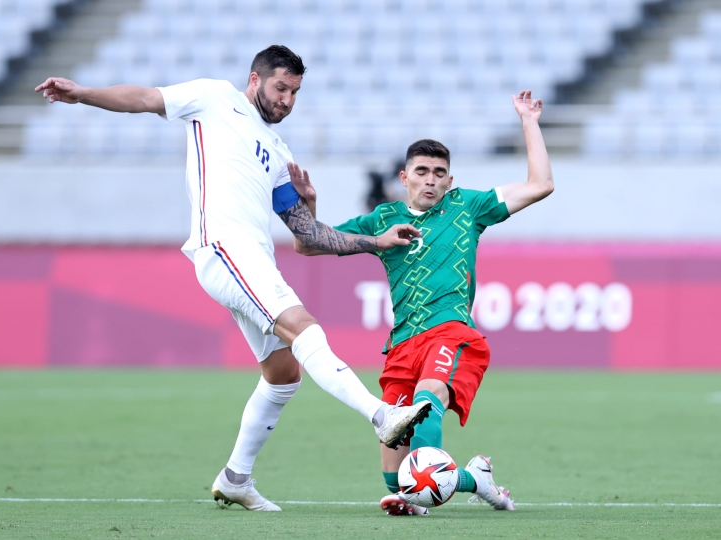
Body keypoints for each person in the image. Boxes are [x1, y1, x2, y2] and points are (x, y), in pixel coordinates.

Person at [34, 45, 432, 512]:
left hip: (254, 259)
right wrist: (83, 94)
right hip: (222, 248)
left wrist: (373, 239)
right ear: (254, 80)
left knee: (283, 375)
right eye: (280, 87)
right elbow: (143, 98)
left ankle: (236, 478)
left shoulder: (279, 153)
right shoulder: (214, 98)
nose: (287, 99)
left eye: (295, 92)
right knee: (306, 329)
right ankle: (381, 415)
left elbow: (306, 237)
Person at [289, 90, 554, 515]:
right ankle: (474, 479)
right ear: (405, 176)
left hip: (450, 332)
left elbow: (541, 185)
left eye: (439, 173)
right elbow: (306, 247)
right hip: (402, 345)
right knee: (396, 475)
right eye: (422, 171)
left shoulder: (468, 206)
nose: (431, 179)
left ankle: (436, 486)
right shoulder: (381, 220)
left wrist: (529, 122)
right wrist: (309, 206)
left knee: (428, 399)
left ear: (449, 180)